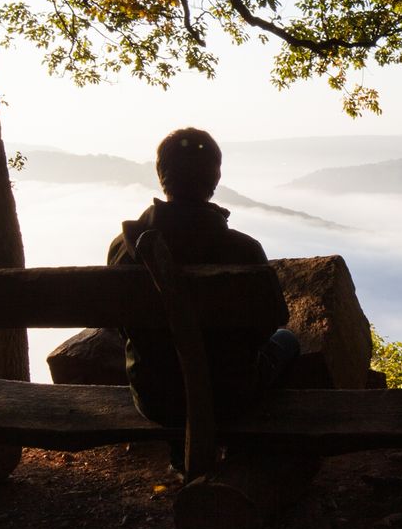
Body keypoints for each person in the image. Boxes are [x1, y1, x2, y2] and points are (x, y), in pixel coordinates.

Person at [110, 128, 298, 426]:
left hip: (154, 398)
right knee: (287, 340)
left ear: (161, 174)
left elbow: (118, 326)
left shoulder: (123, 248)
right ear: (215, 179)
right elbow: (266, 327)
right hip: (227, 398)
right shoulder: (243, 251)